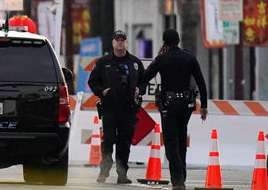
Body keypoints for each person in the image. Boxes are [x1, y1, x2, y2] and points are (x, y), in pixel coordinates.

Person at [140, 29, 208, 190]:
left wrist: (158, 58)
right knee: (181, 138)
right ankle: (182, 174)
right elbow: (201, 82)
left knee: (171, 142)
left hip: (169, 105)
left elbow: (145, 77)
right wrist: (204, 105)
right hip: (186, 104)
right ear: (178, 41)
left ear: (164, 42)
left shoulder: (162, 59)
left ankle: (177, 179)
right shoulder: (189, 58)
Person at [87, 30, 145, 184]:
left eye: (122, 40)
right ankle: (104, 171)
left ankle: (122, 174)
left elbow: (144, 81)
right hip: (110, 108)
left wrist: (140, 89)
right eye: (117, 40)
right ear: (113, 42)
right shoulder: (103, 62)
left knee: (124, 143)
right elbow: (92, 81)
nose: (120, 42)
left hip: (128, 109)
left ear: (126, 42)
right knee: (108, 140)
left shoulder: (134, 63)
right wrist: (102, 91)